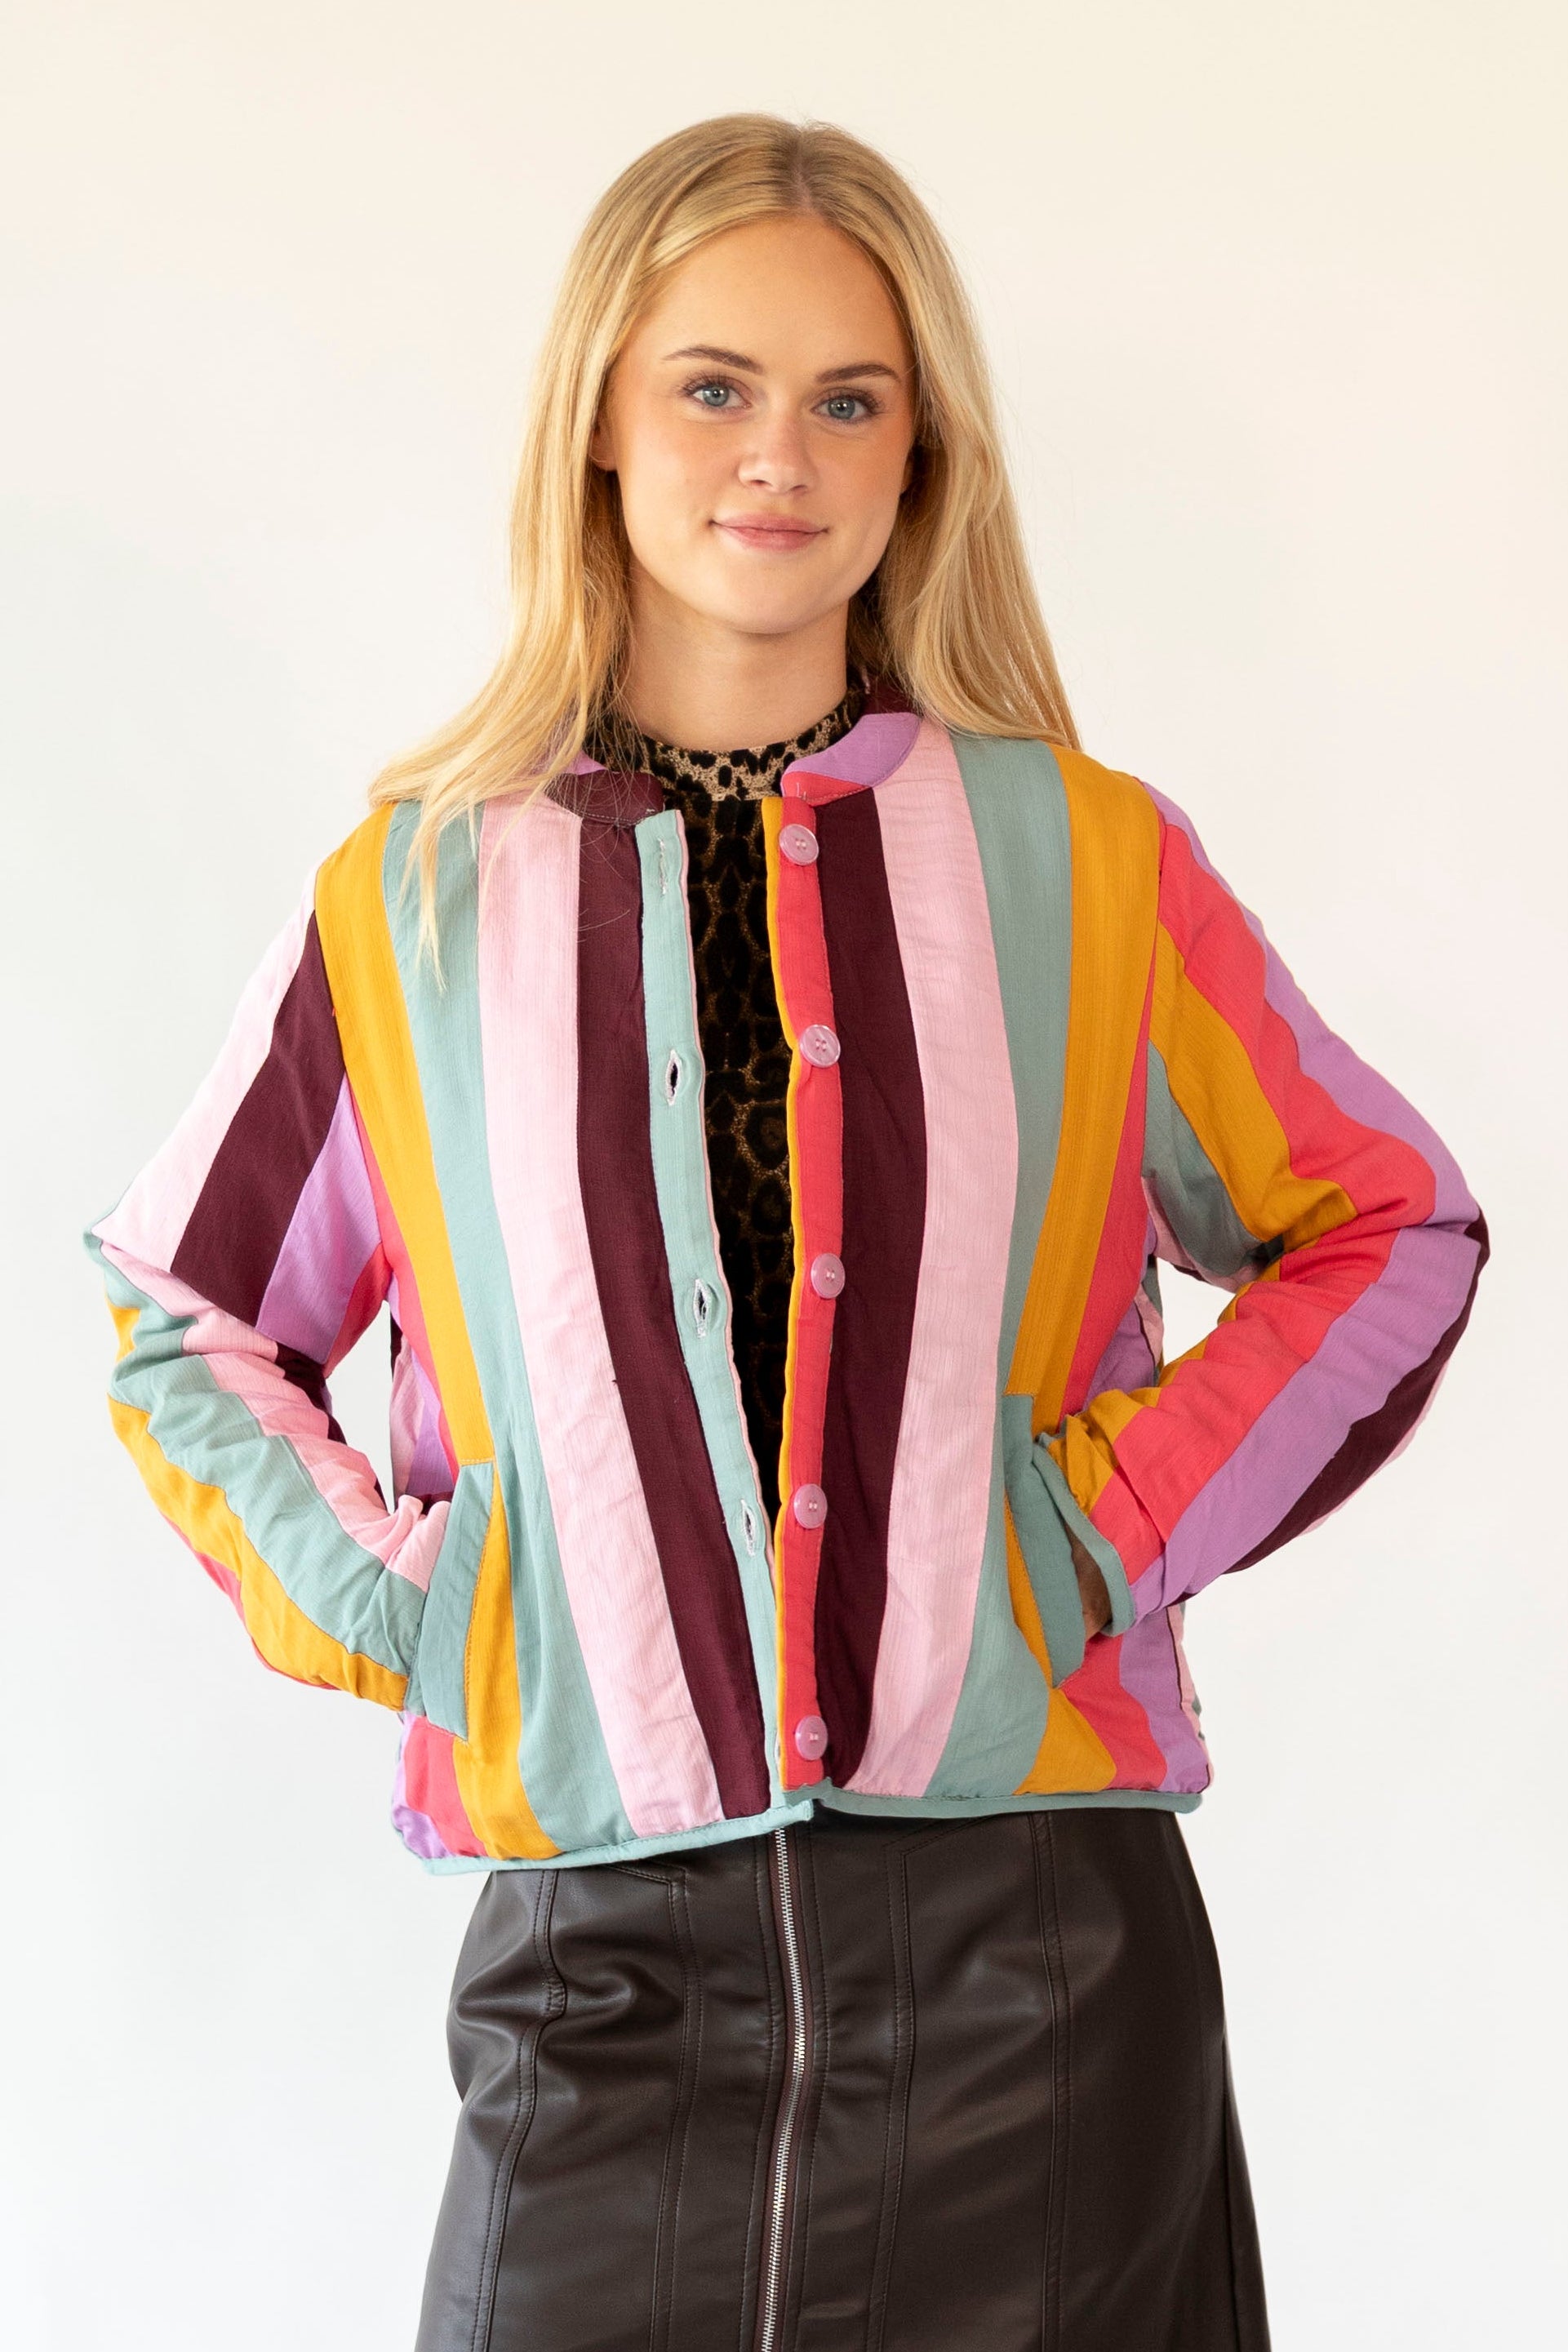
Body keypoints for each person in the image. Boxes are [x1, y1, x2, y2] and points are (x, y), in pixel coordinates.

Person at [86, 113, 1487, 2352]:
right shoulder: (415, 903)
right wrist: (423, 1608)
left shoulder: (1089, 863)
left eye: (851, 398)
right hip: (598, 1986)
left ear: (922, 455)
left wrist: (1105, 1524)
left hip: (1036, 1979)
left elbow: (1389, 1230)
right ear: (600, 422)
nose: (781, 456)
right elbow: (186, 1316)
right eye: (714, 387)